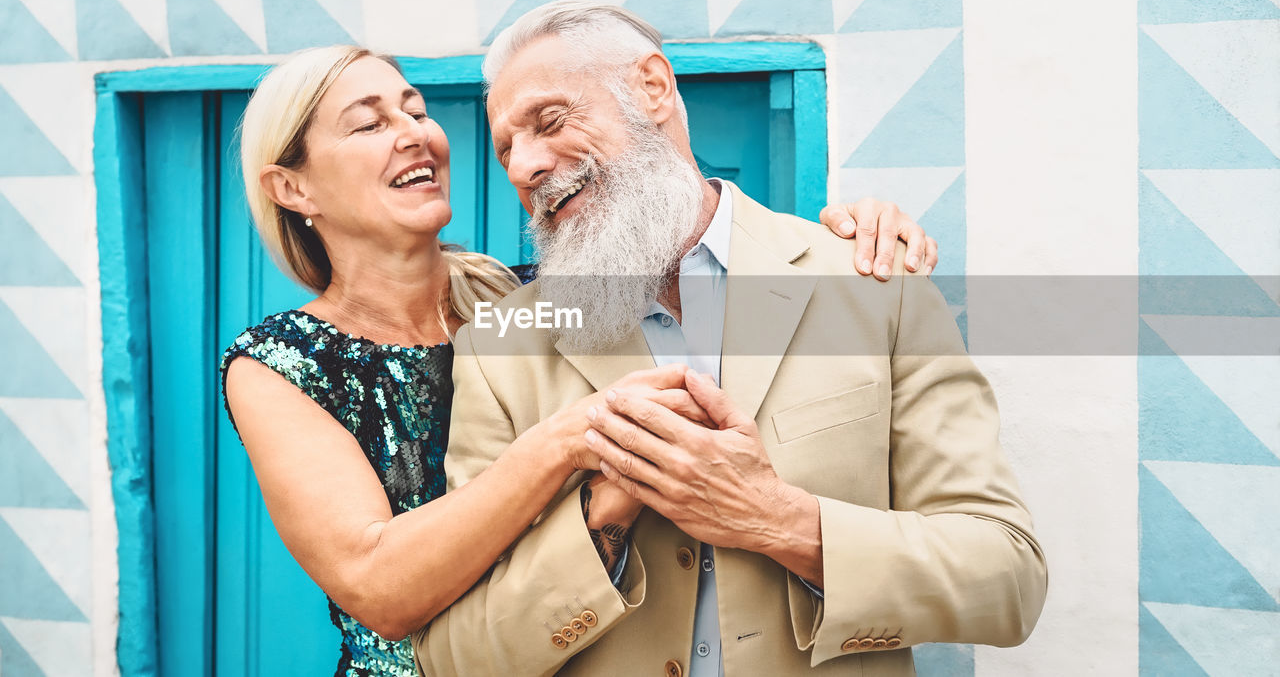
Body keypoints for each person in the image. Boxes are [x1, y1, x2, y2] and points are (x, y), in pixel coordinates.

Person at [219, 44, 935, 677]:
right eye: (371, 123)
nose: (415, 135)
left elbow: (712, 265)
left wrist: (857, 233)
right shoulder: (282, 365)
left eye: (415, 110)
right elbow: (379, 589)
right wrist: (571, 437)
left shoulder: (539, 301)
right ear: (293, 188)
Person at [411, 1, 1047, 676]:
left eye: (550, 121)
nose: (525, 167)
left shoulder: (874, 283)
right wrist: (601, 525)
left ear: (653, 87)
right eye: (507, 149)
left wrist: (776, 519)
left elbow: (1006, 580)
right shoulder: (499, 349)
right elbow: (453, 658)